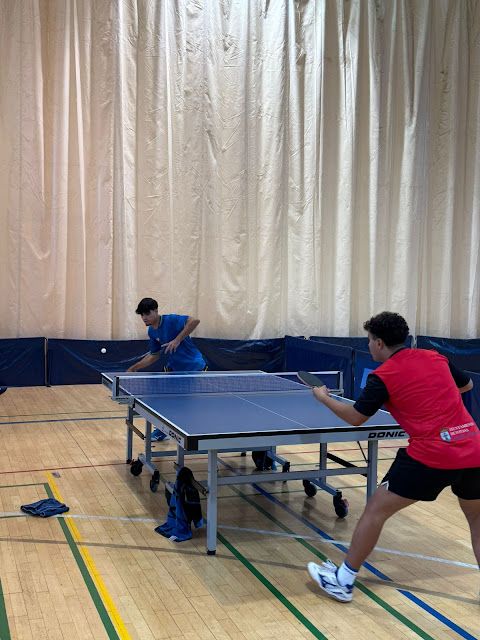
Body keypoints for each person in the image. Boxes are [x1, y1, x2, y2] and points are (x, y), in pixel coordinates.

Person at [307, 311, 480, 603]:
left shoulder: (382, 376)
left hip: (431, 455)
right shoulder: (434, 357)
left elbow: (355, 417)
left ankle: (342, 581)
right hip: (473, 448)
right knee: (476, 518)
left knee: (375, 511)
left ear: (379, 343)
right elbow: (467, 386)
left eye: (369, 341)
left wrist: (324, 398)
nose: (369, 346)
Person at [127, 297, 206, 440]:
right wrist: (134, 368)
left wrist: (177, 339)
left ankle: (192, 433)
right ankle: (163, 430)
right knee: (163, 399)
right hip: (174, 368)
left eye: (147, 313)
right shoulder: (152, 331)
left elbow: (195, 321)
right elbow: (154, 355)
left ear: (156, 311)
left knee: (184, 402)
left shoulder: (171, 320)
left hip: (193, 367)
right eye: (142, 315)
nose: (144, 318)